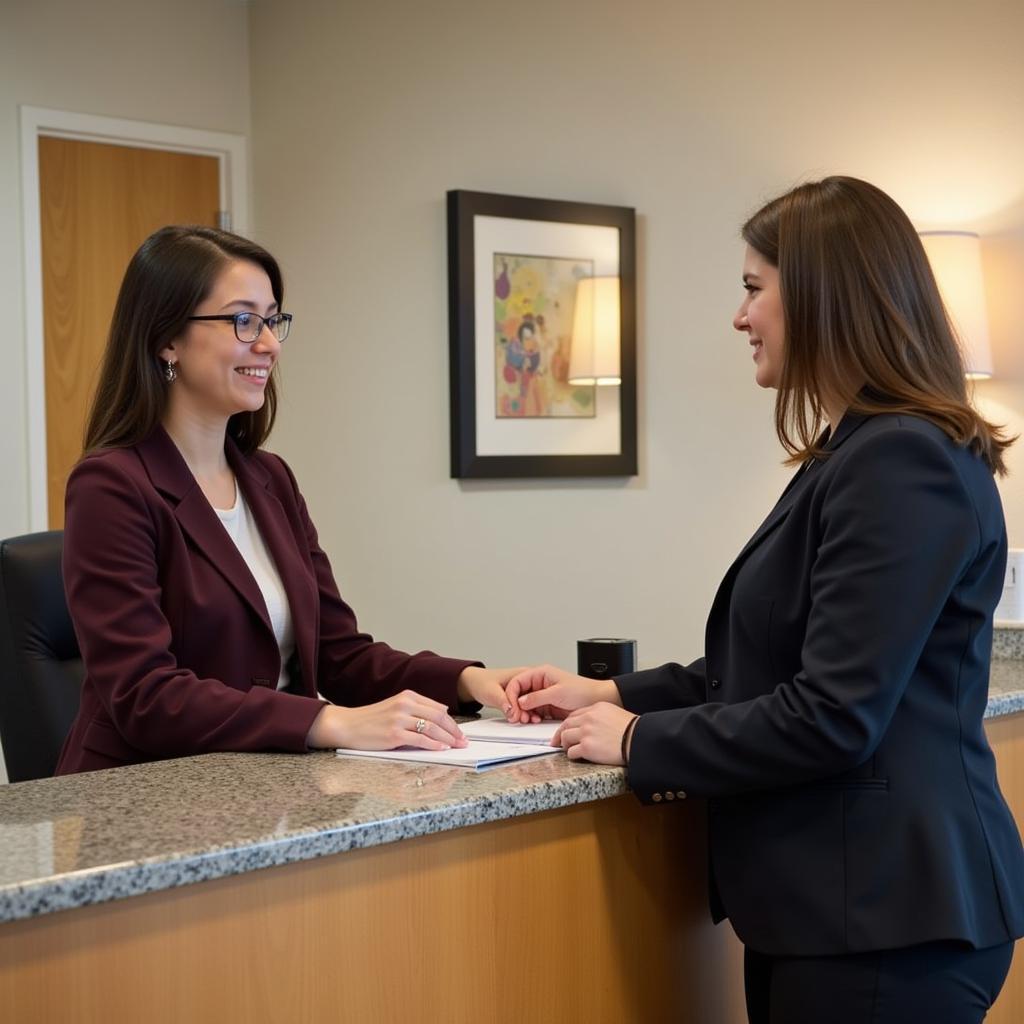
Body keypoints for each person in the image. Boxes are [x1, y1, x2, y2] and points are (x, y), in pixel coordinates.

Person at [504, 177, 1024, 1022]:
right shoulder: (859, 449)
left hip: (887, 922)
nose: (739, 317)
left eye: (753, 289)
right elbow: (783, 658)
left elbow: (833, 713)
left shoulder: (901, 461)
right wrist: (611, 692)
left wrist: (640, 739)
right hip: (842, 916)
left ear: (823, 293)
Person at [56, 225, 515, 775]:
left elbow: (338, 655)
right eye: (243, 320)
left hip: (265, 785)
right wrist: (328, 721)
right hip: (141, 798)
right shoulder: (112, 486)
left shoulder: (270, 479)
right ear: (167, 339)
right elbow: (144, 696)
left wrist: (470, 680)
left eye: (272, 320)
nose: (270, 343)